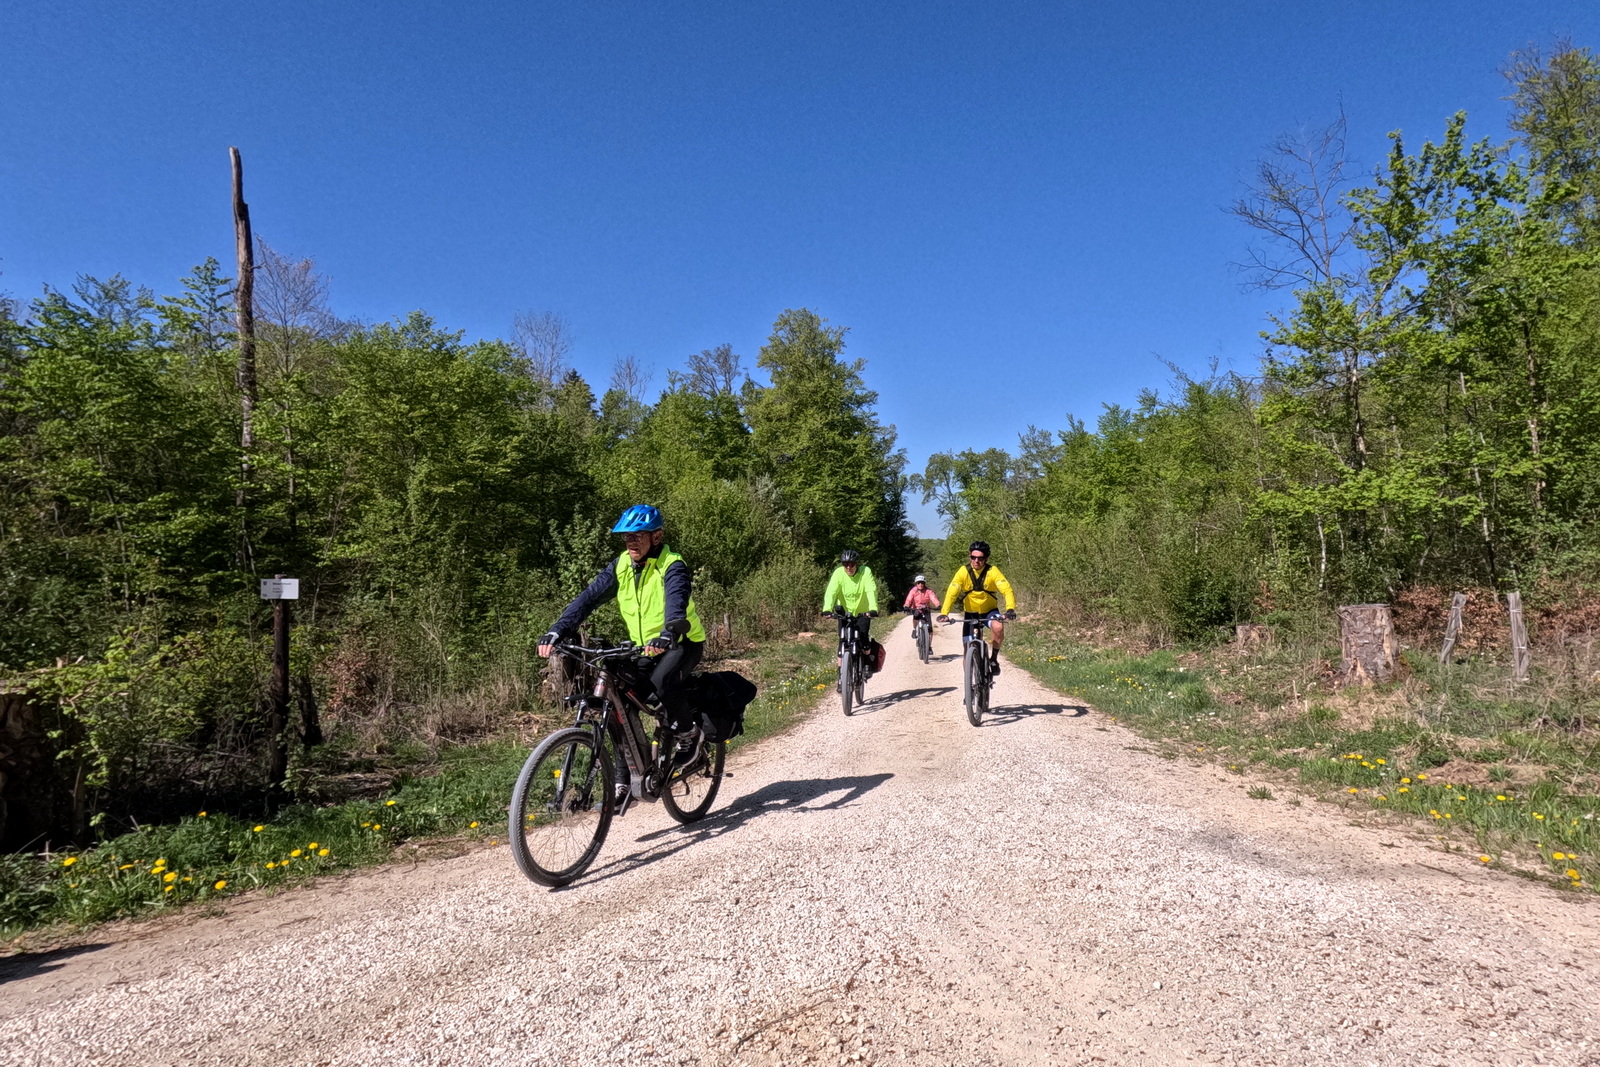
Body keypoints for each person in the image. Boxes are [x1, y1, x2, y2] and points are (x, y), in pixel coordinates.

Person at [538, 505, 706, 769]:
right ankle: (624, 774)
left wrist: (669, 632)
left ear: (657, 537)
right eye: (627, 536)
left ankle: (690, 735)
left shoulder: (672, 566)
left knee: (662, 682)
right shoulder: (621, 565)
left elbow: (677, 600)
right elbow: (588, 598)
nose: (631, 542)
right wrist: (559, 629)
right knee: (620, 698)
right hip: (644, 648)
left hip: (681, 641)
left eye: (638, 535)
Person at [936, 540, 1017, 674]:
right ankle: (969, 687)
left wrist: (1010, 609)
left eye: (980, 558)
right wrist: (945, 613)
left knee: (998, 626)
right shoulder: (963, 571)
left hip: (989, 612)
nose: (976, 561)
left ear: (986, 559)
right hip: (971, 613)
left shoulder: (993, 571)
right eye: (973, 557)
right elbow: (952, 592)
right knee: (967, 650)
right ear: (970, 556)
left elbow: (1006, 589)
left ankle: (994, 659)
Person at [821, 549, 880, 669]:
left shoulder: (865, 572)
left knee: (864, 640)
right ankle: (840, 675)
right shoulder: (838, 573)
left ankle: (867, 663)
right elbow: (831, 591)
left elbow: (871, 590)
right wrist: (827, 609)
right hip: (844, 613)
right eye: (845, 564)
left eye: (851, 564)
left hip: (862, 612)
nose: (848, 567)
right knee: (842, 640)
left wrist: (873, 609)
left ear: (856, 564)